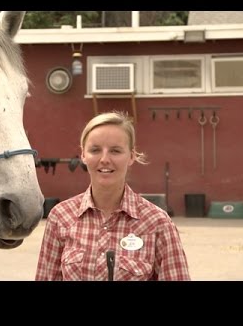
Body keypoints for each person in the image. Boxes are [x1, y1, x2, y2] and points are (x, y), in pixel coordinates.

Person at [35, 111, 190, 281]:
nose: (104, 159)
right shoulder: (61, 217)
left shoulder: (157, 223)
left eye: (115, 151)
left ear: (131, 156)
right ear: (83, 156)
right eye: (95, 150)